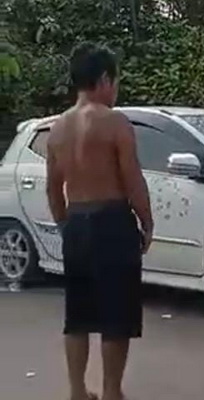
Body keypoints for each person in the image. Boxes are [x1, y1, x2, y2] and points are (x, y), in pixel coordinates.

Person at [46, 42, 153, 400]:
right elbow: (132, 179)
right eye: (115, 82)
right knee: (115, 315)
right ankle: (111, 392)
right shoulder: (115, 122)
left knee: (77, 314)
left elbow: (52, 188)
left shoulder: (57, 128)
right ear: (104, 79)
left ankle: (77, 391)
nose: (116, 90)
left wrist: (65, 225)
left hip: (76, 221)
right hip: (111, 221)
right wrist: (146, 220)